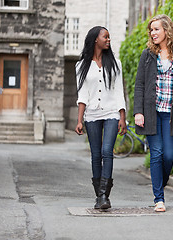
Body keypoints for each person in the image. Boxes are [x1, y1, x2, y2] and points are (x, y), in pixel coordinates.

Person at [133, 14, 173, 212]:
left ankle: (161, 181)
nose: (153, 33)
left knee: (169, 156)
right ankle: (159, 198)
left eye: (156, 29)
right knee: (156, 154)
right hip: (152, 113)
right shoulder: (147, 55)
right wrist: (138, 112)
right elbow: (140, 85)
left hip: (172, 114)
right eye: (151, 30)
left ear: (166, 30)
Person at [75, 26, 127, 210]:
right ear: (95, 39)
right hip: (91, 114)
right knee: (96, 155)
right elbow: (82, 95)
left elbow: (119, 90)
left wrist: (122, 116)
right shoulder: (81, 65)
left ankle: (105, 195)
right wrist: (80, 120)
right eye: (105, 37)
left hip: (111, 111)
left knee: (107, 151)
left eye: (109, 37)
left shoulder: (116, 64)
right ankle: (99, 196)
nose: (108, 40)